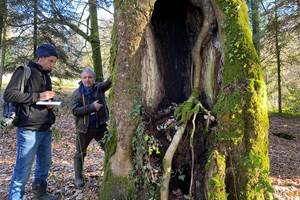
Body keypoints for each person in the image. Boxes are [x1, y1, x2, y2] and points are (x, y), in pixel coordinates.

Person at [4, 44, 60, 200]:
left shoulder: (46, 75)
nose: (52, 65)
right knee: (23, 170)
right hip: (28, 130)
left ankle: (40, 194)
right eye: (50, 61)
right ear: (40, 58)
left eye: (54, 62)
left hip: (45, 128)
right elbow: (9, 95)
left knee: (44, 165)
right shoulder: (24, 71)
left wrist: (50, 103)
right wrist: (39, 96)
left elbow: (43, 98)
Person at [71, 67, 111, 188]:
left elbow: (109, 82)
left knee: (110, 149)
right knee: (80, 154)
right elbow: (74, 110)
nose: (87, 80)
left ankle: (110, 173)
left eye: (90, 77)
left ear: (94, 79)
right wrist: (92, 107)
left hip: (100, 127)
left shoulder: (99, 87)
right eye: (85, 77)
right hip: (84, 129)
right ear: (81, 79)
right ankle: (78, 177)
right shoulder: (77, 93)